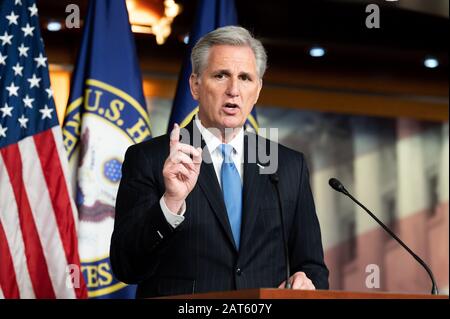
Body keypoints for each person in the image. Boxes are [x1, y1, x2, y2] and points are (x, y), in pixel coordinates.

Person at [110, 26, 329, 298]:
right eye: (220, 75)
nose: (233, 90)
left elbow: (313, 267)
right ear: (195, 85)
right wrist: (170, 204)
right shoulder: (151, 159)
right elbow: (126, 267)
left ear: (257, 90)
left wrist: (306, 282)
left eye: (245, 78)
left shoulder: (287, 166)